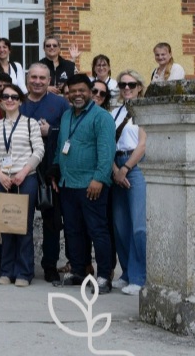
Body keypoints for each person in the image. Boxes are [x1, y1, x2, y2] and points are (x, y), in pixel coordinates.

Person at [52, 74, 116, 293]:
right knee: (73, 230)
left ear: (90, 92)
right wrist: (55, 170)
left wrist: (99, 178)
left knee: (97, 230)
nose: (77, 94)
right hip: (68, 183)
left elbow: (107, 151)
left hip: (91, 184)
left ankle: (104, 276)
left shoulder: (102, 117)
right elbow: (61, 145)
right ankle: (79, 271)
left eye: (82, 90)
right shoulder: (67, 115)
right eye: (73, 91)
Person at [0, 83, 44, 287]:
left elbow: (39, 151)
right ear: (0, 102)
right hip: (1, 179)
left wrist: (23, 172)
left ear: (20, 101)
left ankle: (24, 273)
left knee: (23, 226)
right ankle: (6, 271)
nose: (9, 100)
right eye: (5, 97)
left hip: (25, 178)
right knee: (5, 225)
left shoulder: (30, 124)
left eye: (14, 97)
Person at [20, 62, 70, 282]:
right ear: (27, 79)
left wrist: (52, 130)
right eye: (34, 77)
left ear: (49, 81)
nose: (38, 82)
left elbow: (70, 131)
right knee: (22, 216)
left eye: (42, 78)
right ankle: (22, 264)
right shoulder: (18, 102)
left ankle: (50, 265)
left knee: (51, 219)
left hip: (50, 167)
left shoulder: (60, 104)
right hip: (22, 168)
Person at [110, 70, 148, 296]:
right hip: (116, 165)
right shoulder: (115, 112)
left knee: (138, 225)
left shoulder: (145, 110)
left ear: (139, 87)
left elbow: (142, 145)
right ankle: (125, 273)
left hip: (136, 166)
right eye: (123, 84)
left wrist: (125, 169)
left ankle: (139, 276)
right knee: (120, 225)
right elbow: (108, 143)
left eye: (131, 85)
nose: (126, 88)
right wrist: (115, 169)